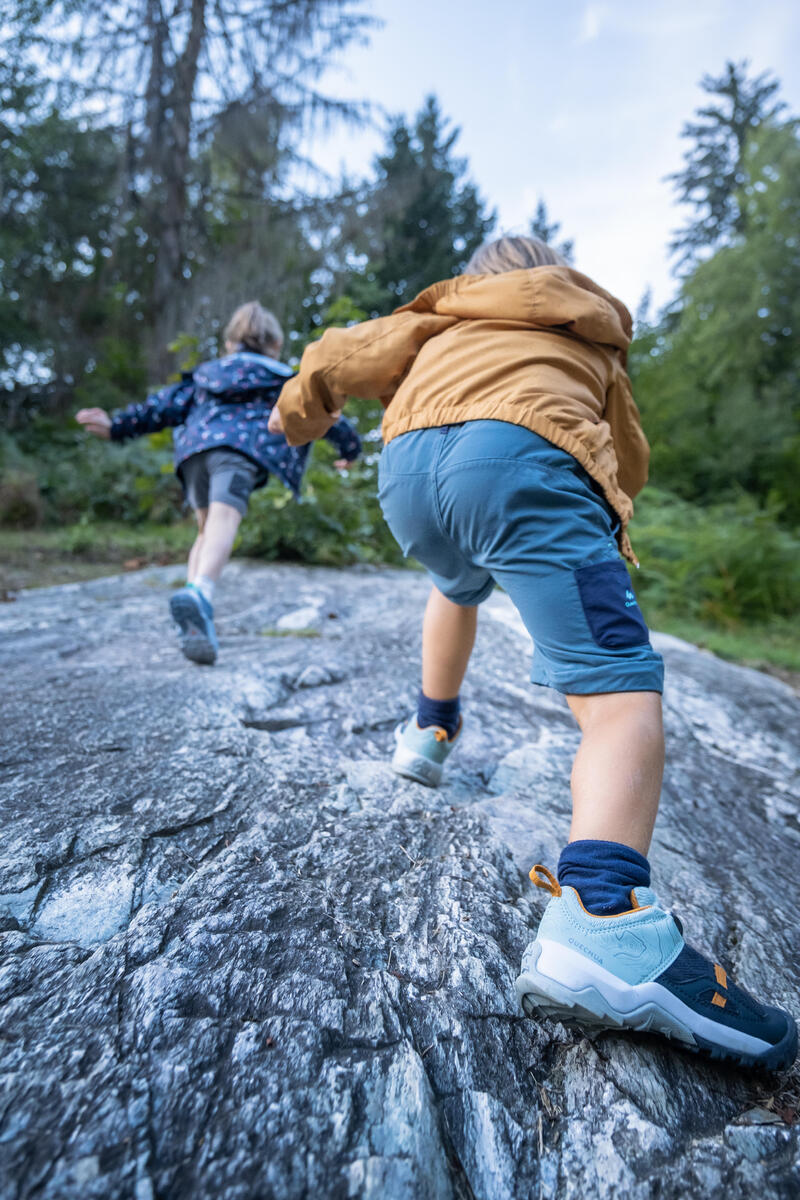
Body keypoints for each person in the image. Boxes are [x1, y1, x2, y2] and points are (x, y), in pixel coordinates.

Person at [268, 236, 796, 1070]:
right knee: (620, 697)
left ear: (478, 279)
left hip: (409, 472)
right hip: (519, 456)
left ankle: (427, 735)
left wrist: (297, 417)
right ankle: (605, 919)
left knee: (454, 582)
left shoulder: (439, 316)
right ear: (553, 275)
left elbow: (338, 357)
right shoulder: (587, 328)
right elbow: (628, 454)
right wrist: (601, 505)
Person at [76, 301, 361, 664]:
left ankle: (197, 613)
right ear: (274, 344)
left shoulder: (205, 374)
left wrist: (117, 425)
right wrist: (350, 447)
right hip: (240, 452)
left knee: (205, 530)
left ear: (230, 343)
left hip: (194, 452)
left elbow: (161, 407)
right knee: (225, 521)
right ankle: (200, 592)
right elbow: (317, 409)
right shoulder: (279, 375)